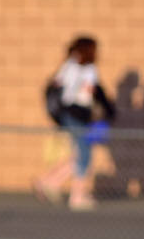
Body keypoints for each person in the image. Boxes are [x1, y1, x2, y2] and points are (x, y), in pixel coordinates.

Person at [34, 36, 114, 210]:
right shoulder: (87, 69)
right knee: (84, 154)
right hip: (75, 114)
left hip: (69, 114)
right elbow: (89, 93)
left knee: (79, 153)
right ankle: (76, 196)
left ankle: (48, 181)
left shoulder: (69, 65)